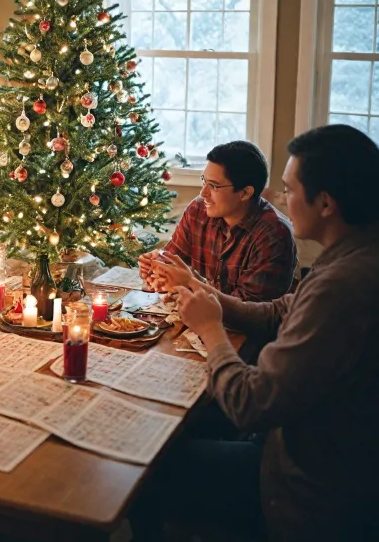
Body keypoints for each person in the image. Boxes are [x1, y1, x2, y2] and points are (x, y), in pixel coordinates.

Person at [138, 125, 379, 541]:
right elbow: (275, 312)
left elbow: (249, 404)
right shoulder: (350, 258)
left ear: (325, 203)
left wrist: (210, 327)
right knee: (176, 426)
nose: (282, 199)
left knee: (145, 464)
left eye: (288, 189)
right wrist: (207, 297)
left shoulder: (341, 287)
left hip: (302, 480)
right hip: (299, 443)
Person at [139, 140, 297, 301]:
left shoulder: (274, 235)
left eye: (214, 186)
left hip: (237, 325)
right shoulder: (198, 210)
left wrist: (191, 283)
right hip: (198, 316)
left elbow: (248, 312)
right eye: (204, 181)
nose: (203, 193)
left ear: (245, 193)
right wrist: (155, 267)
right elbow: (172, 261)